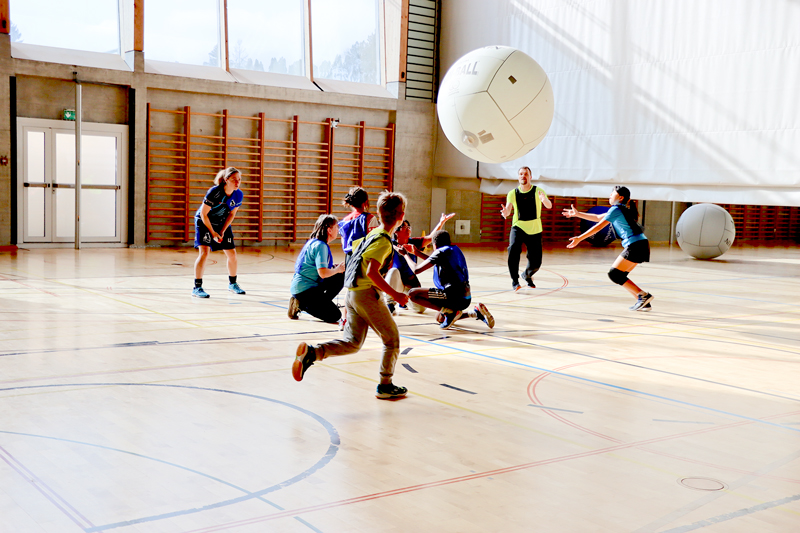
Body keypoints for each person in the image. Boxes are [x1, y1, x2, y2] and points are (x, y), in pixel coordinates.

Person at [293, 191, 410, 400]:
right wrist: (396, 295)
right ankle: (385, 385)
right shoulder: (382, 241)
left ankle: (313, 353)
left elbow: (355, 254)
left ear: (378, 213)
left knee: (353, 342)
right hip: (367, 295)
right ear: (401, 216)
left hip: (353, 294)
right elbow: (372, 272)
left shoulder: (374, 235)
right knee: (392, 340)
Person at [562, 186, 654, 311]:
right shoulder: (620, 209)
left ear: (620, 197)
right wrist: (578, 214)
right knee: (620, 275)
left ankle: (643, 295)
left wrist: (579, 238)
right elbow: (597, 217)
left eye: (613, 193)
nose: (610, 195)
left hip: (635, 245)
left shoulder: (616, 209)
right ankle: (643, 301)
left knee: (614, 274)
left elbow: (598, 226)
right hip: (641, 244)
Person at [406, 230, 495, 330]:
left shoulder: (440, 252)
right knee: (440, 318)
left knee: (413, 294)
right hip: (465, 297)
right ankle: (475, 313)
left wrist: (406, 255)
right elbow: (435, 261)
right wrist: (416, 252)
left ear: (435, 245)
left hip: (453, 296)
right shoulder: (453, 249)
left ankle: (450, 312)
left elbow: (416, 270)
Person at [384, 213, 455, 315]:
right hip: (397, 283)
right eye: (405, 227)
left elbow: (430, 238)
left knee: (420, 309)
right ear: (396, 231)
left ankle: (404, 301)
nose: (408, 229)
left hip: (411, 284)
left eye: (409, 227)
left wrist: (441, 222)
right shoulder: (390, 244)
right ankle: (390, 303)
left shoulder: (414, 243)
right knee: (393, 271)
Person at [192, 167, 245, 298]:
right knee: (204, 252)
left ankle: (233, 284)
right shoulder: (214, 192)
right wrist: (213, 233)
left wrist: (222, 230)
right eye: (234, 179)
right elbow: (204, 214)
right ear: (226, 180)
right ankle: (197, 288)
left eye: (239, 179)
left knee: (232, 254)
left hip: (221, 222)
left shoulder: (238, 194)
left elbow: (231, 214)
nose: (237, 182)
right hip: (204, 222)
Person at [500, 166, 552, 291]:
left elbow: (549, 206)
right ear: (518, 177)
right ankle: (515, 281)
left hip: (535, 229)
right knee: (513, 250)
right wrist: (505, 213)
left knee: (536, 262)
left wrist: (544, 200)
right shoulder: (512, 193)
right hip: (518, 227)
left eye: (526, 174)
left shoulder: (538, 191)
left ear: (530, 177)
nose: (523, 176)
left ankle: (527, 275)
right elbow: (508, 209)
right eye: (521, 174)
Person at [288, 214, 346, 324]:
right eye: (336, 227)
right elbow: (322, 273)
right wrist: (337, 269)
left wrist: (334, 269)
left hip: (305, 285)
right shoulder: (321, 246)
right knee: (335, 315)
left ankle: (320, 303)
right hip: (305, 290)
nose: (338, 230)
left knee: (340, 276)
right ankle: (300, 304)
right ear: (329, 230)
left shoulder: (314, 242)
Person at [338, 186, 379, 260]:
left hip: (349, 257)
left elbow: (343, 242)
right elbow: (373, 241)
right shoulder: (370, 218)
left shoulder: (345, 220)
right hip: (364, 257)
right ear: (365, 202)